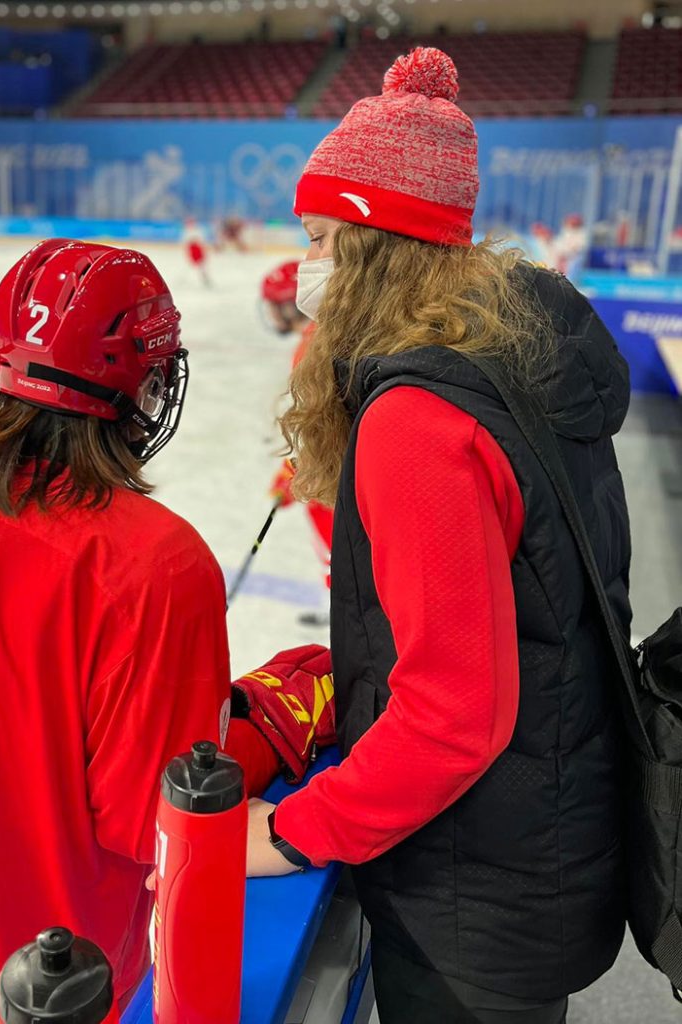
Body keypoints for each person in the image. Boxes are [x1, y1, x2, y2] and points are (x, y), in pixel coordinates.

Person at [0, 238, 301, 1024]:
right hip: (53, 980)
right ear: (142, 381)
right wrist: (271, 719)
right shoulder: (156, 565)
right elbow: (152, 818)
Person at [240, 48, 631, 1024]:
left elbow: (454, 713)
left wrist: (292, 831)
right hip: (545, 832)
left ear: (373, 247)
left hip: (477, 889)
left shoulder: (420, 418)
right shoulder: (512, 350)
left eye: (322, 238)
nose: (306, 268)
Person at [261, 260, 334, 621]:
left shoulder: (311, 346)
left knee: (329, 529)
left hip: (334, 467)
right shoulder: (319, 334)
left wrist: (292, 475)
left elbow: (318, 425)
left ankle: (343, 611)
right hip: (340, 459)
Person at [182, 217, 211, 287]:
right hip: (193, 249)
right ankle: (186, 279)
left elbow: (201, 241)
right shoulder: (186, 231)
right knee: (195, 265)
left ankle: (204, 278)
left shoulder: (197, 230)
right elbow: (186, 242)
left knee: (201, 265)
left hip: (197, 249)